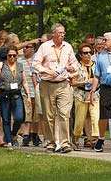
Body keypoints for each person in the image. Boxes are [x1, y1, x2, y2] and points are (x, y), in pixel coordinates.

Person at [33, 23, 78, 153]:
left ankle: (65, 143)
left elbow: (74, 63)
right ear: (53, 34)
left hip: (63, 84)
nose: (62, 35)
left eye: (63, 33)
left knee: (64, 114)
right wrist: (46, 70)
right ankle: (51, 142)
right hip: (47, 84)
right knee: (48, 115)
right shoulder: (44, 47)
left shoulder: (67, 47)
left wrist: (72, 68)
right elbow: (35, 64)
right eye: (59, 33)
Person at [0, 45, 31, 149]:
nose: (12, 57)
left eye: (14, 55)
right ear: (6, 56)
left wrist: (28, 95)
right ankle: (9, 141)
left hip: (17, 94)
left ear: (17, 55)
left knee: (19, 117)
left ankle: (13, 134)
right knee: (6, 119)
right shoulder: (1, 65)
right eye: (10, 56)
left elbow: (24, 81)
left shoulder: (20, 66)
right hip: (4, 94)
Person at [71, 43, 100, 150]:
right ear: (80, 54)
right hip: (81, 95)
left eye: (90, 53)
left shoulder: (96, 65)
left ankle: (94, 140)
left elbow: (101, 78)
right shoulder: (76, 66)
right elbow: (72, 82)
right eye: (85, 53)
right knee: (80, 119)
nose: (88, 55)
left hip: (95, 94)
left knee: (95, 117)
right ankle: (76, 140)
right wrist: (86, 82)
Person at [18, 43, 39, 147]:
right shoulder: (19, 60)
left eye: (28, 47)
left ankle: (34, 135)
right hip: (25, 92)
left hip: (38, 92)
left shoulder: (38, 60)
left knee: (36, 116)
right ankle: (26, 136)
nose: (25, 49)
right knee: (27, 115)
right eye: (24, 47)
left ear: (33, 50)